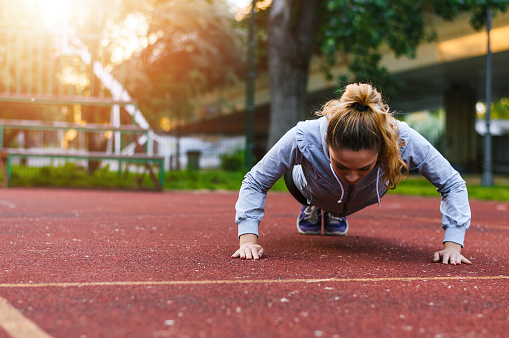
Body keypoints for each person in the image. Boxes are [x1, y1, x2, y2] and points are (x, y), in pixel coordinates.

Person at [232, 83, 472, 265]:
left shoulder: (402, 137)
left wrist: (453, 244)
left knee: (358, 180)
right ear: (327, 142)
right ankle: (316, 206)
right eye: (342, 166)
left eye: (364, 168)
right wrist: (248, 240)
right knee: (292, 168)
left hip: (365, 194)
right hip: (309, 185)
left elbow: (452, 183)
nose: (352, 176)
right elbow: (256, 181)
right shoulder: (305, 135)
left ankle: (336, 207)